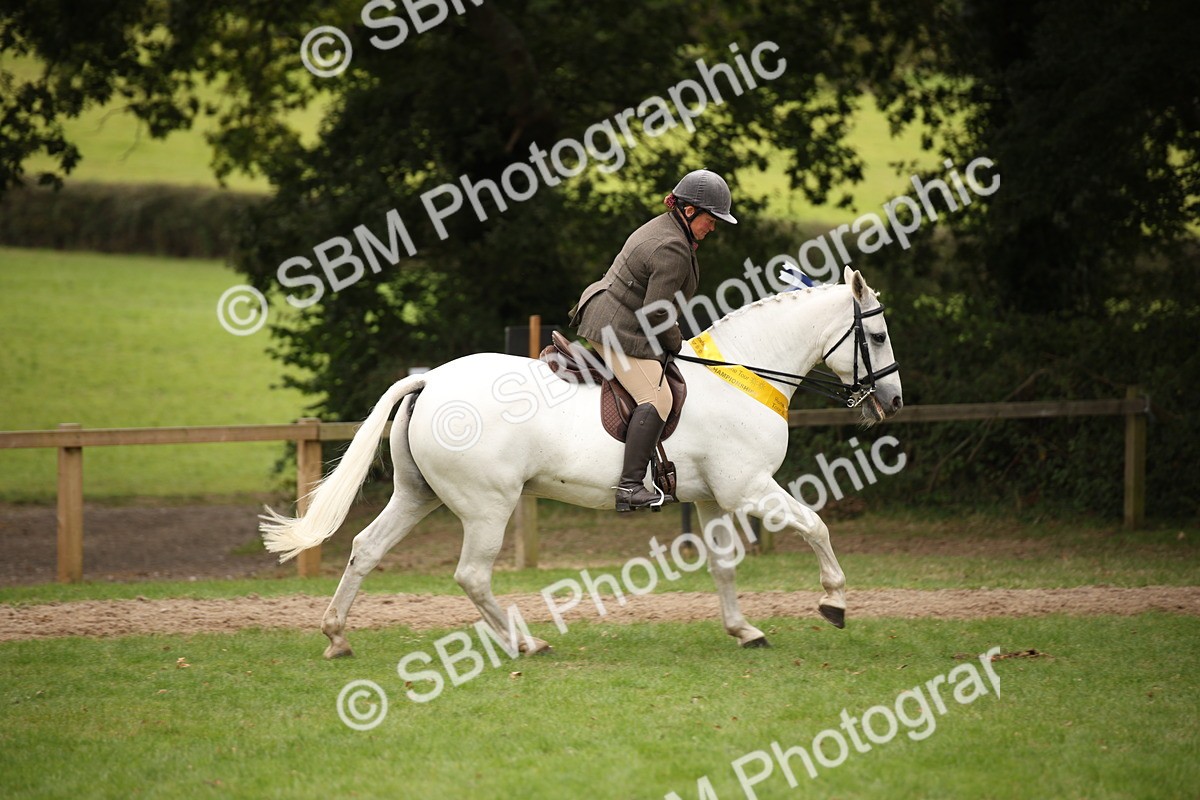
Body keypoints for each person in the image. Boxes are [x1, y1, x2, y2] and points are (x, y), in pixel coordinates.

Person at [568, 169, 737, 511]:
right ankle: (629, 486)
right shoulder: (671, 245)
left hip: (622, 317)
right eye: (711, 218)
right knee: (656, 398)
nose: (713, 227)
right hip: (614, 325)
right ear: (689, 210)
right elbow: (657, 314)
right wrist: (678, 344)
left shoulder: (668, 228)